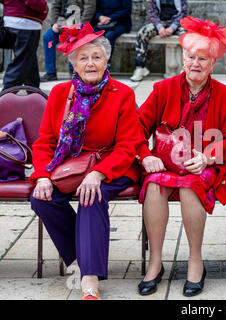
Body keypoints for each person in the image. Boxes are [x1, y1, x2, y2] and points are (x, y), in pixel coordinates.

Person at [29, 23, 142, 300]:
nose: (90, 63)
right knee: (41, 198)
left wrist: (99, 173)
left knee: (91, 195)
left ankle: (89, 276)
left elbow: (129, 146)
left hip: (114, 165)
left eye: (96, 57)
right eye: (83, 58)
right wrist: (43, 175)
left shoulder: (122, 93)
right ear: (74, 64)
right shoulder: (59, 94)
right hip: (70, 165)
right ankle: (79, 259)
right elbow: (44, 142)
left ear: (106, 61)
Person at [136, 16, 226, 297]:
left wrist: (207, 158)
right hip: (165, 162)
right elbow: (136, 128)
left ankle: (195, 260)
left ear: (213, 63)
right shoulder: (162, 90)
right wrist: (145, 156)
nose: (196, 64)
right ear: (183, 59)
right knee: (155, 184)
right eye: (191, 57)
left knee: (192, 184)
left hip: (202, 165)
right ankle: (155, 262)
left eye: (203, 59)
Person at [130, 0, 188, 82]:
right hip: (160, 23)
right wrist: (159, 27)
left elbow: (183, 12)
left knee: (187, 36)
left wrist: (173, 27)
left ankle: (187, 68)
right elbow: (152, 12)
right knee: (142, 33)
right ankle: (140, 67)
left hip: (177, 23)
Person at [40, 0, 96, 82]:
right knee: (48, 37)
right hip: (63, 23)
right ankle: (50, 72)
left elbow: (90, 7)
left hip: (80, 23)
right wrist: (54, 23)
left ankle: (73, 70)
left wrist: (81, 24)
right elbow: (55, 6)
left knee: (74, 38)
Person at [0, 0, 48, 91]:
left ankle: (34, 93)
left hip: (12, 19)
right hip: (25, 22)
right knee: (22, 61)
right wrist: (44, 7)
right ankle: (6, 95)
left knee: (29, 61)